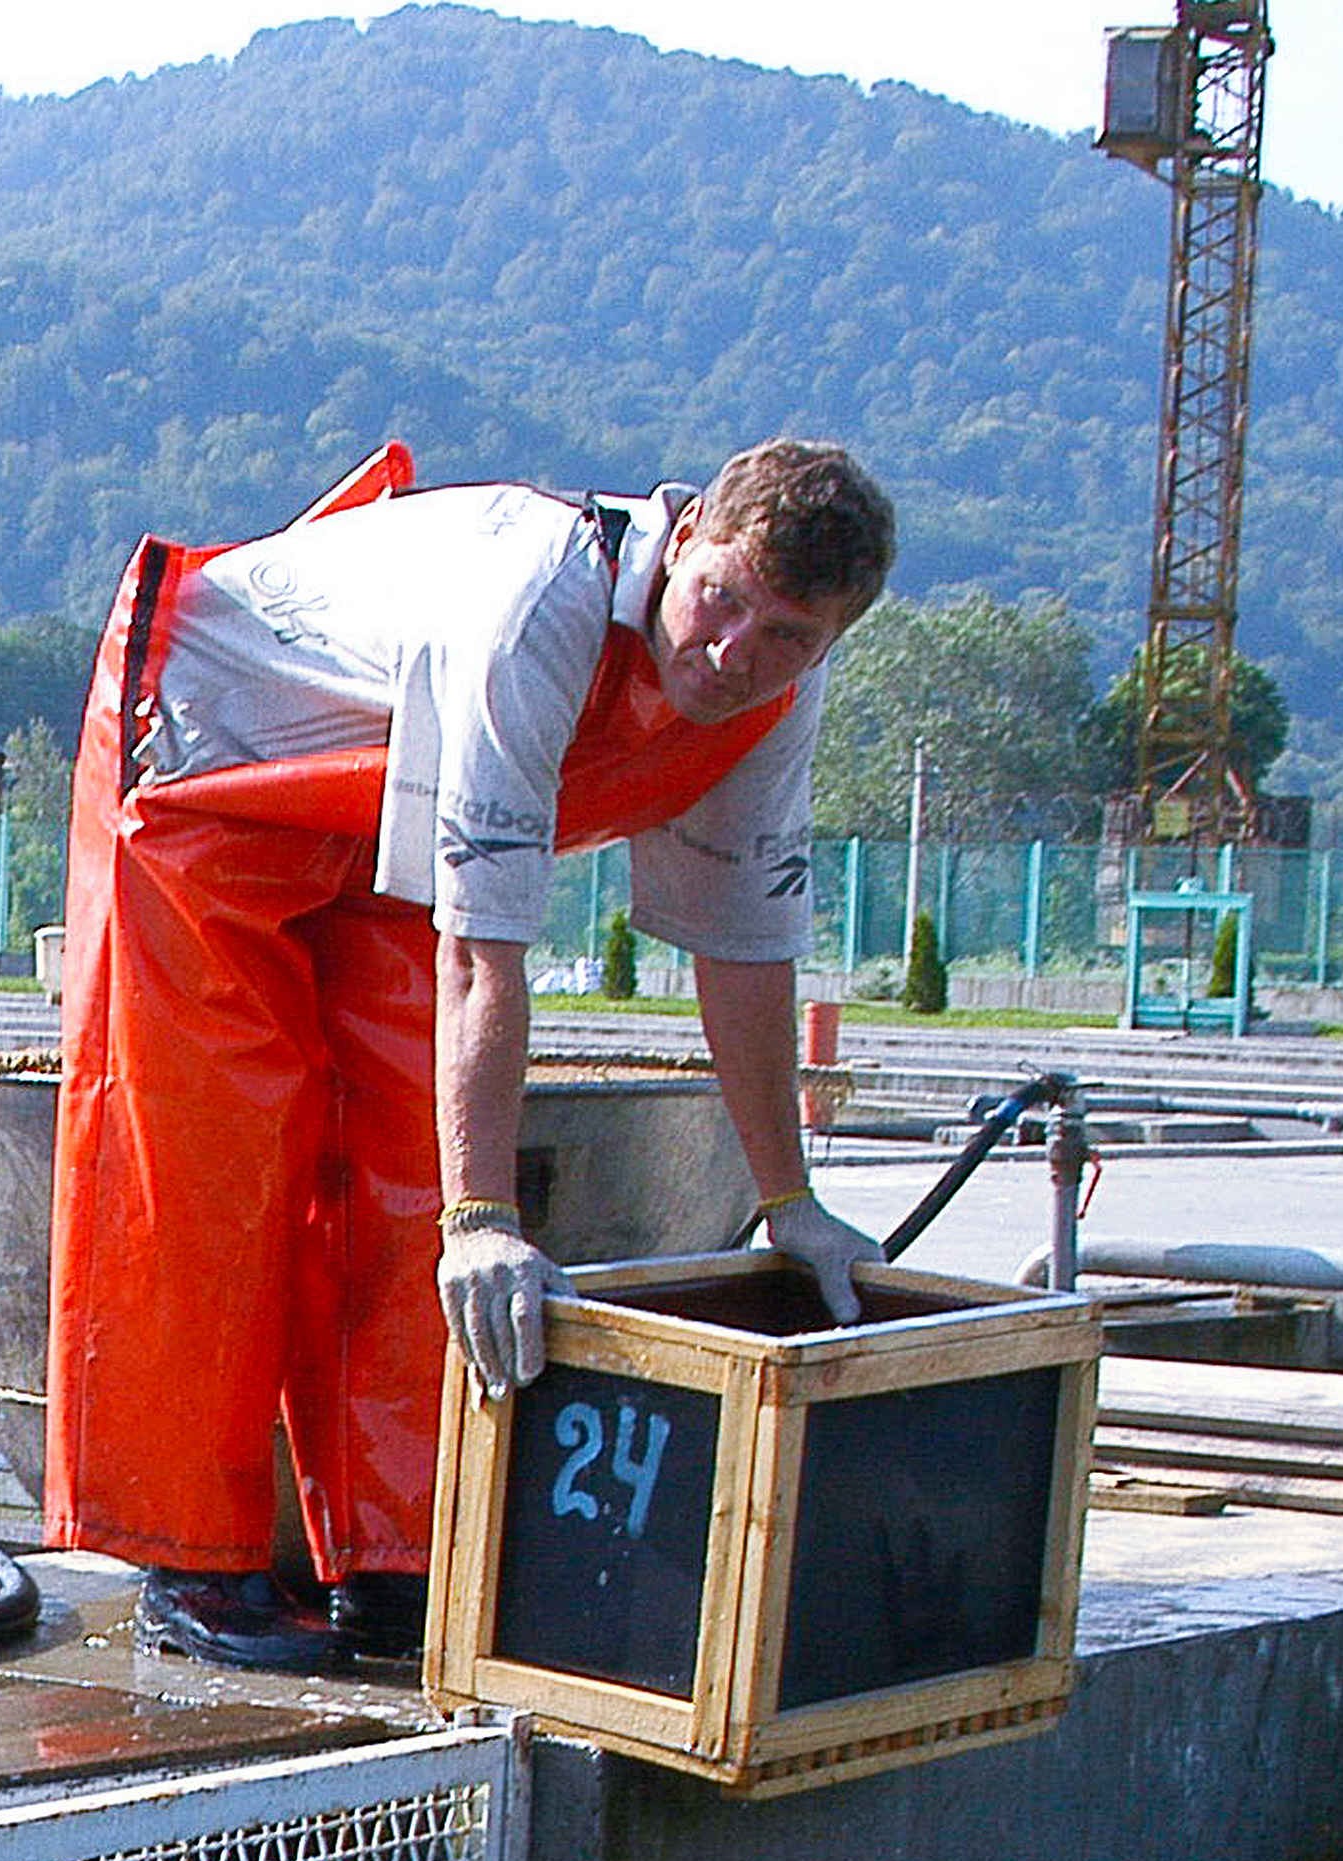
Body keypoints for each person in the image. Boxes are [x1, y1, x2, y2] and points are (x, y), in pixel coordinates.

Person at [50, 441, 900, 1670]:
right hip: (209, 765)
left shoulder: (772, 696)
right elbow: (482, 961)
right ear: (690, 530)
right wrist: (489, 1216)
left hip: (383, 806)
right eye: (723, 601)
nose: (734, 656)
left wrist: (792, 1203)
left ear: (830, 642)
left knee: (414, 1163)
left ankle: (397, 1560)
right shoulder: (538, 600)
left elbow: (747, 952)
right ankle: (192, 1562)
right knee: (216, 1156)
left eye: (788, 638)